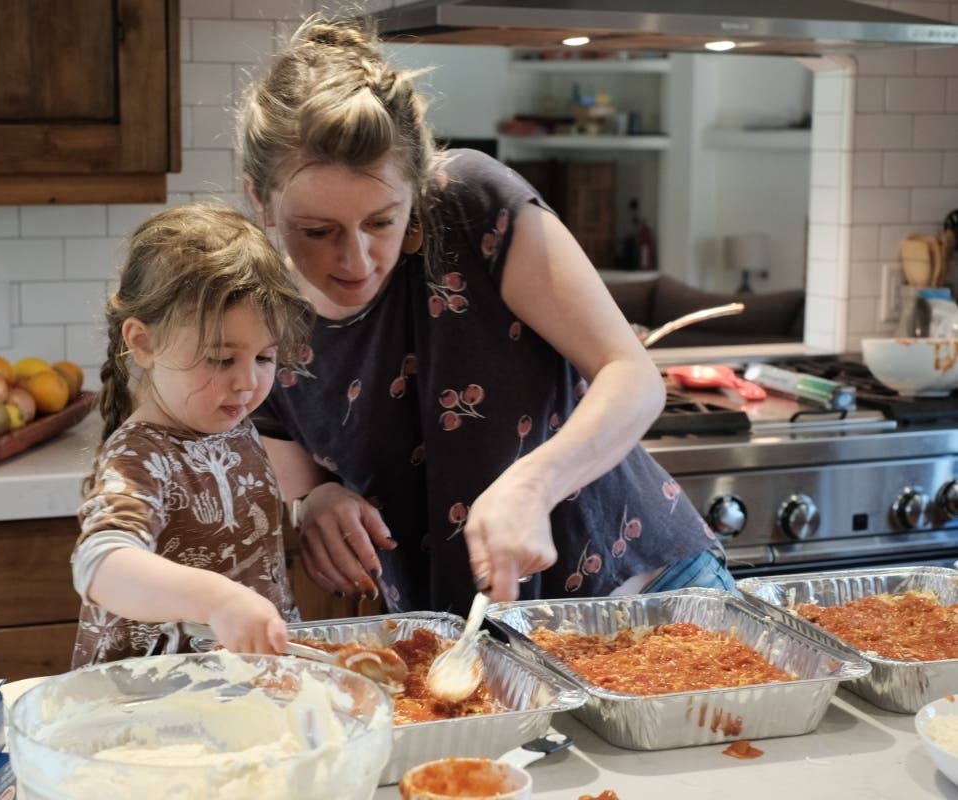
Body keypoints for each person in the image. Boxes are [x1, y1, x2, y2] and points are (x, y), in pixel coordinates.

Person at [235, 16, 737, 617]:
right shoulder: (253, 314)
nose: (356, 258)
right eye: (316, 231)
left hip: (650, 591)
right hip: (477, 636)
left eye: (381, 221)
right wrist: (315, 503)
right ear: (259, 200)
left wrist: (535, 482)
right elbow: (303, 478)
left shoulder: (470, 206)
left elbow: (630, 376)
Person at [70, 202, 313, 667]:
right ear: (143, 342)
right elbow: (100, 563)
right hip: (152, 704)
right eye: (222, 359)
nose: (247, 382)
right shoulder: (140, 455)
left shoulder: (232, 422)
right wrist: (218, 600)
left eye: (264, 357)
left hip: (237, 689)